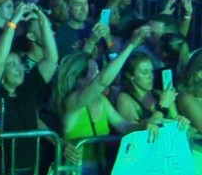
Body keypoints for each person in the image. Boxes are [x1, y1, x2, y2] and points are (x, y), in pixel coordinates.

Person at [53, 27, 160, 175]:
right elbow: (102, 82)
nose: (99, 75)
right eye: (94, 73)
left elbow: (122, 125)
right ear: (80, 78)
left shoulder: (101, 100)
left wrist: (143, 125)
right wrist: (130, 45)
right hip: (77, 169)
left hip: (101, 167)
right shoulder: (71, 102)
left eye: (98, 71)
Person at [0, 3, 58, 175]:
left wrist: (43, 19)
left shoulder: (27, 87)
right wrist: (14, 20)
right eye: (12, 65)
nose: (18, 68)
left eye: (19, 63)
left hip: (30, 169)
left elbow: (51, 59)